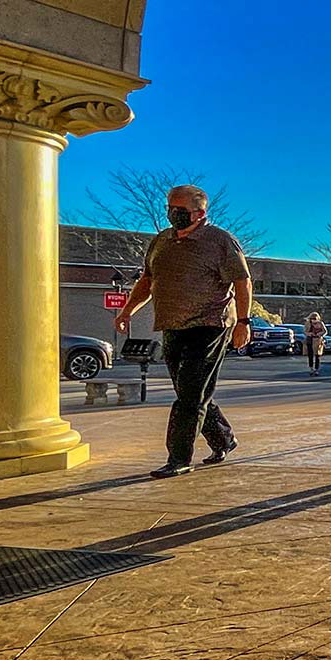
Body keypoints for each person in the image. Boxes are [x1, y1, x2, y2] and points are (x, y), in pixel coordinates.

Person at [115, 184, 251, 478]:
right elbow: (147, 281)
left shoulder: (220, 241)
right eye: (170, 209)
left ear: (200, 213)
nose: (173, 215)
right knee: (192, 391)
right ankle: (224, 438)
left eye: (180, 211)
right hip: (172, 326)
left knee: (190, 396)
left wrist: (243, 322)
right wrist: (127, 310)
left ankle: (179, 458)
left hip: (210, 326)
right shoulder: (161, 241)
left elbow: (242, 281)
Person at [304, 312, 326, 376]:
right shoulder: (307, 323)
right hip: (310, 340)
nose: (313, 320)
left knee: (317, 355)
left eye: (315, 318)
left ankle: (316, 369)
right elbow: (305, 331)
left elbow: (325, 331)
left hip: (317, 340)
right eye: (312, 318)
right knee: (310, 355)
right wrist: (309, 334)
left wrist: (320, 334)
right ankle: (311, 368)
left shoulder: (320, 323)